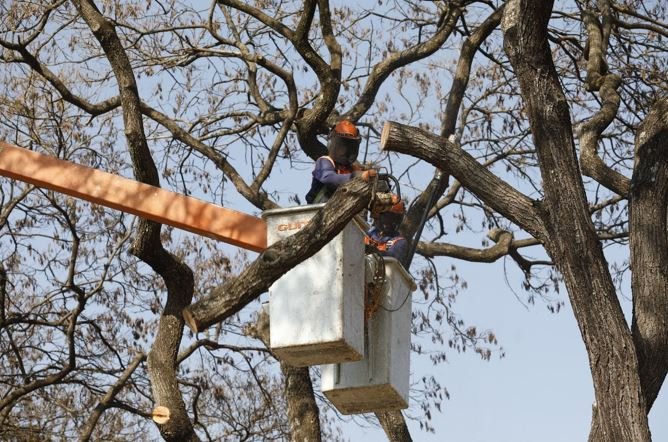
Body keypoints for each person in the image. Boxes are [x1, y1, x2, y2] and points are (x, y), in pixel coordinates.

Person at [305, 119, 375, 204]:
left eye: (350, 146)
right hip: (318, 208)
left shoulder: (352, 168)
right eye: (343, 145)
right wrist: (356, 176)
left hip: (343, 210)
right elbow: (327, 177)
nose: (345, 150)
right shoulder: (324, 161)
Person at [364, 199, 408, 264]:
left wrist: (374, 251)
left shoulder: (398, 241)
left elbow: (391, 258)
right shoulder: (371, 232)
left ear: (396, 220)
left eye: (388, 217)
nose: (382, 219)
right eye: (382, 215)